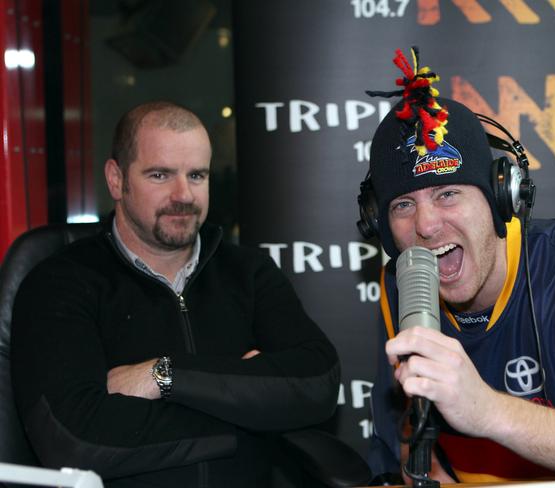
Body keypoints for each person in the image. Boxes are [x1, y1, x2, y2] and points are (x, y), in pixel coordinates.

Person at [11, 101, 341, 487]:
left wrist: (163, 376)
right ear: (117, 179)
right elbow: (75, 438)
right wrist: (250, 405)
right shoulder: (62, 281)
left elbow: (318, 381)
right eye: (160, 175)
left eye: (197, 175)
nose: (184, 194)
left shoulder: (248, 273)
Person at [363, 48, 555, 483]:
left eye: (447, 194)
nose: (424, 225)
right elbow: (411, 434)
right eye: (403, 204)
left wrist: (487, 409)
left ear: (501, 200)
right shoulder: (405, 282)